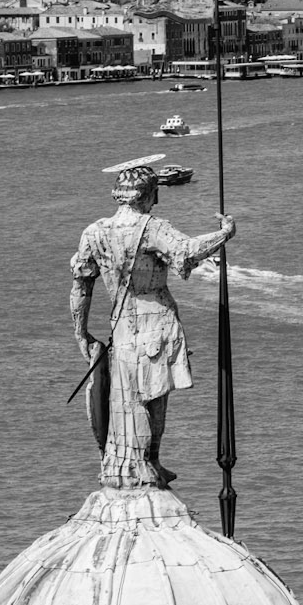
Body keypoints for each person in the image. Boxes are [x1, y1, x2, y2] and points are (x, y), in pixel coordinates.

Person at [69, 163, 235, 488]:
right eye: (155, 195)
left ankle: (137, 464)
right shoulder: (153, 228)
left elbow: (80, 286)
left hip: (121, 327)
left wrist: (80, 332)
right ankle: (146, 464)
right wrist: (225, 233)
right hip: (155, 324)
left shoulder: (95, 232)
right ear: (148, 195)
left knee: (126, 398)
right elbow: (187, 251)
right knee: (151, 399)